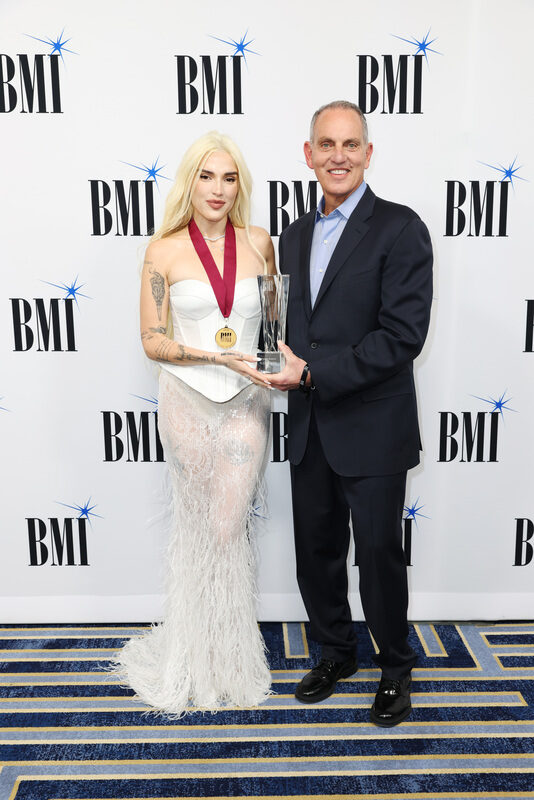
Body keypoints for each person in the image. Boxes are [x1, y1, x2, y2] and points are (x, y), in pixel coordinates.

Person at [269, 101, 433, 727]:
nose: (339, 156)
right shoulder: (294, 234)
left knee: (379, 555)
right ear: (307, 154)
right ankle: (335, 653)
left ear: (369, 153)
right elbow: (291, 329)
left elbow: (401, 337)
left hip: (373, 427)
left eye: (351, 144)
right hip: (310, 425)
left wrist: (313, 373)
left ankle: (395, 668)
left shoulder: (400, 228)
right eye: (326, 144)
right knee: (316, 551)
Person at [113, 131, 276, 716]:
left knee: (230, 528)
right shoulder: (163, 251)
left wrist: (273, 366)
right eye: (207, 176)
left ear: (240, 186)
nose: (218, 189)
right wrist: (213, 356)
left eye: (229, 178)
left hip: (245, 400)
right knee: (197, 529)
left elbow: (274, 332)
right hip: (185, 397)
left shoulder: (260, 243)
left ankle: (229, 658)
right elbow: (153, 341)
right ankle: (191, 658)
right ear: (190, 181)